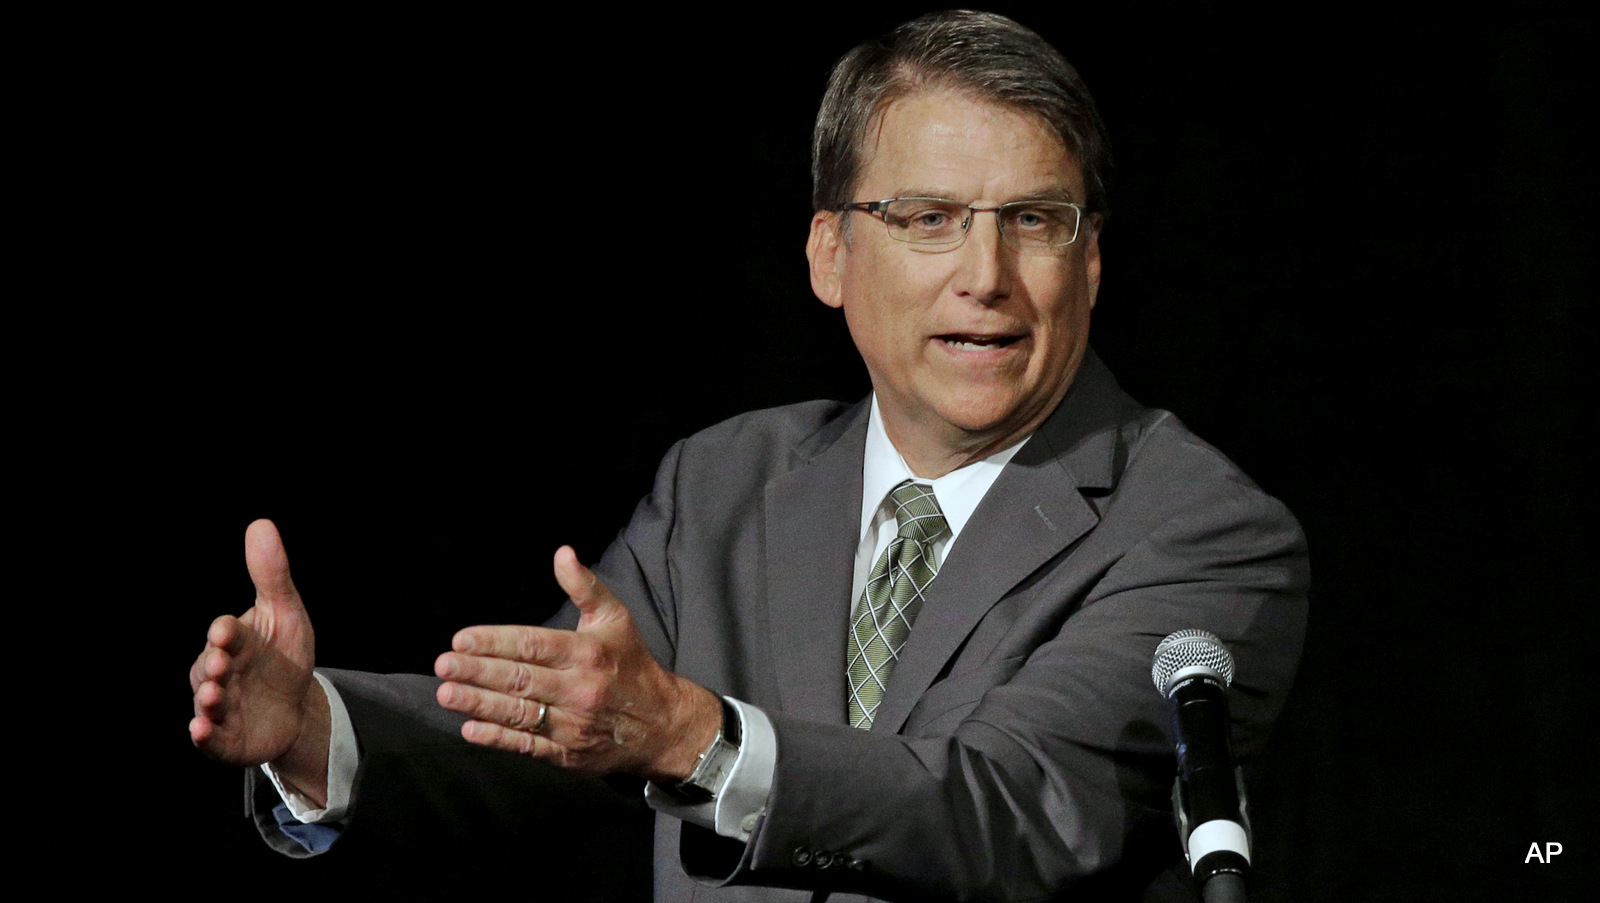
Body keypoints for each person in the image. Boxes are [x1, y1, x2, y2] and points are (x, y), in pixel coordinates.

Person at [189, 11, 1308, 902]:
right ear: (831, 253)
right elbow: (561, 718)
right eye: (928, 218)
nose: (986, 274)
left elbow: (1013, 807)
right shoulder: (721, 488)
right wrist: (314, 729)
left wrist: (694, 737)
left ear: (1092, 261)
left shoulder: (1199, 530)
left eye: (1033, 220)